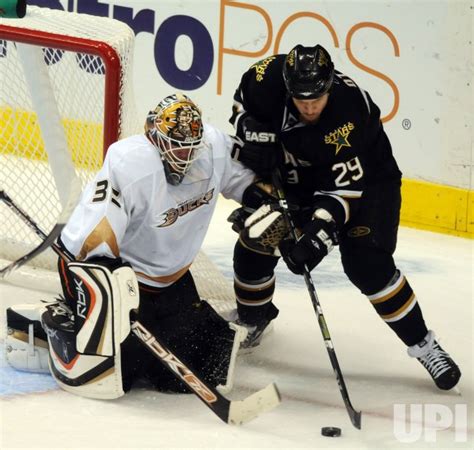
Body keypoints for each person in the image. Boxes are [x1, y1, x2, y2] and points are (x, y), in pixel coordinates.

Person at [226, 44, 461, 391]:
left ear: (329, 86)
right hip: (301, 177)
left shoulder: (348, 113)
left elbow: (343, 192)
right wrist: (250, 130)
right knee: (258, 238)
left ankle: (425, 345)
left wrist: (317, 236)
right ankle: (252, 320)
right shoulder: (266, 79)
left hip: (368, 185)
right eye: (301, 100)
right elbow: (241, 105)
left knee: (367, 265)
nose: (309, 107)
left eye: (316, 100)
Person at [6, 93, 257, 398]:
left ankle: (92, 324)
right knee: (117, 374)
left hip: (166, 281)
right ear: (154, 135)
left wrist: (261, 202)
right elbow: (93, 241)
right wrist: (115, 290)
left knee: (199, 363)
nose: (184, 154)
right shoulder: (130, 162)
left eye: (191, 146)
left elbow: (246, 183)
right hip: (96, 271)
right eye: (176, 145)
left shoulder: (213, 148)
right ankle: (57, 324)